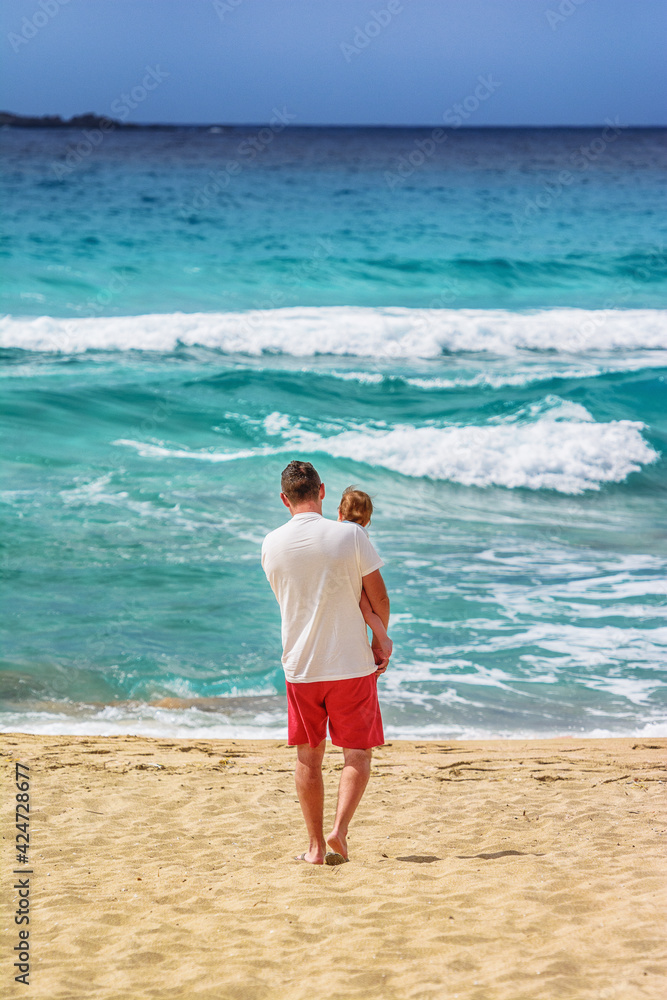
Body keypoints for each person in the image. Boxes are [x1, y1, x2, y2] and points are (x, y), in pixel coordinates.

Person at [261, 461, 391, 865]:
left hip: (301, 667)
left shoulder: (271, 543)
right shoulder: (352, 535)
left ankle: (315, 848)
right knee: (357, 754)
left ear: (284, 499)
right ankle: (340, 830)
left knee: (308, 758)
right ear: (321, 490)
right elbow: (379, 600)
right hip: (351, 664)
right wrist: (378, 643)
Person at [338, 486, 393, 668]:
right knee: (368, 611)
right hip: (357, 580)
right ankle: (383, 638)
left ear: (340, 513)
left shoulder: (337, 529)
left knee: (366, 610)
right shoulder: (361, 534)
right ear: (368, 520)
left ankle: (384, 639)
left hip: (341, 581)